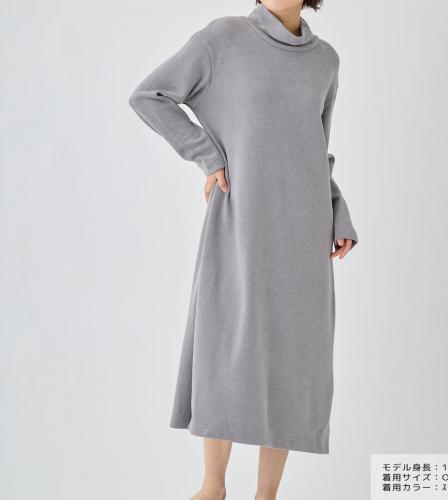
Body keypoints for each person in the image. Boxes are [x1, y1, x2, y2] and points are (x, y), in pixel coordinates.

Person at [129, 0, 358, 498]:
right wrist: (208, 156)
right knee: (227, 346)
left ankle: (266, 494)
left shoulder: (325, 61)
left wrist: (337, 211)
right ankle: (213, 486)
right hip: (242, 217)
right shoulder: (224, 38)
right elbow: (150, 96)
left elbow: (315, 148)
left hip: (305, 227)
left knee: (293, 357)